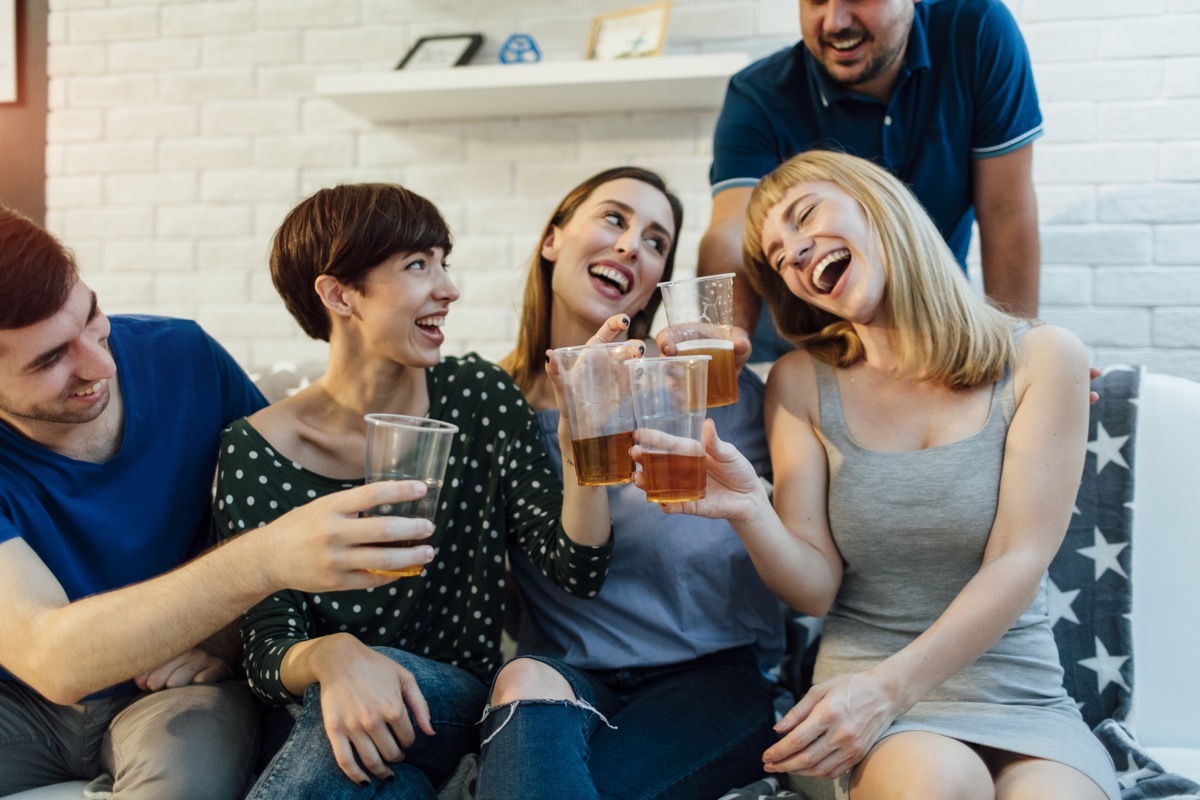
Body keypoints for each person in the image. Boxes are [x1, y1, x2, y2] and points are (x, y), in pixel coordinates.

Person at [649, 150, 1120, 800]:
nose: (796, 254)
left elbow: (1019, 559)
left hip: (1021, 695)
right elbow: (814, 589)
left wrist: (889, 689)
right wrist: (750, 510)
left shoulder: (1046, 358)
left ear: (878, 203)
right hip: (858, 703)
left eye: (805, 215)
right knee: (937, 780)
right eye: (782, 258)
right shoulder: (799, 383)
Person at [0, 206, 436, 798]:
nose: (102, 364)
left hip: (175, 693)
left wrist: (230, 637)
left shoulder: (184, 355)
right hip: (16, 709)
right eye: (50, 359)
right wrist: (260, 561)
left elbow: (276, 504)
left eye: (92, 316)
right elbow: (53, 660)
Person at [212, 183, 615, 799]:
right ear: (338, 293)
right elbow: (267, 651)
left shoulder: (478, 396)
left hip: (448, 701)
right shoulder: (256, 449)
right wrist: (333, 656)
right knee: (381, 780)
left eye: (443, 262)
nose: (448, 288)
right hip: (325, 714)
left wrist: (580, 436)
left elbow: (576, 568)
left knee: (379, 678)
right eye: (417, 265)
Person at [474, 167, 785, 800]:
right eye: (614, 219)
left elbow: (806, 543)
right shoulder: (495, 407)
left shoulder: (698, 387)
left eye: (655, 242)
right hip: (567, 675)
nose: (630, 246)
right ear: (553, 239)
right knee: (523, 681)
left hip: (710, 681)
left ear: (650, 290)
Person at [700, 0, 1044, 362]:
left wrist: (1020, 355)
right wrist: (726, 342)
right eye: (815, 1)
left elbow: (1006, 210)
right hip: (806, 338)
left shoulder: (976, 32)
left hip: (934, 317)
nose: (834, 22)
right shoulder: (757, 96)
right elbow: (731, 232)